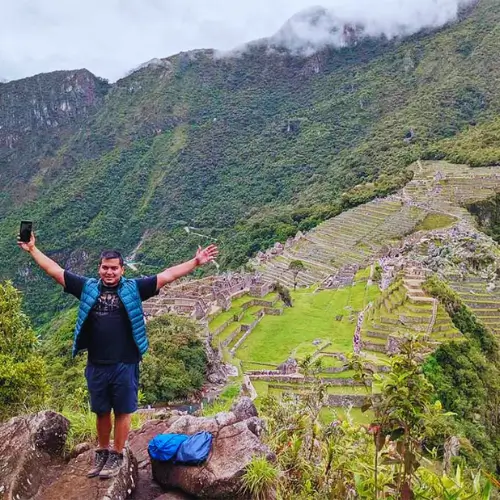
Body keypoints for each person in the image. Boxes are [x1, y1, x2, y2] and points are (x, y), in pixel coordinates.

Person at [18, 232, 218, 479]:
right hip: (97, 363)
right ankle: (102, 451)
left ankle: (118, 454)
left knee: (122, 410)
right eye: (105, 268)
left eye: (114, 268)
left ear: (122, 270)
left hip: (125, 363)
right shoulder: (88, 288)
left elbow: (167, 275)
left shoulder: (135, 289)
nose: (109, 272)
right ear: (99, 268)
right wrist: (33, 249)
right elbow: (55, 271)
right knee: (101, 411)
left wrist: (195, 262)